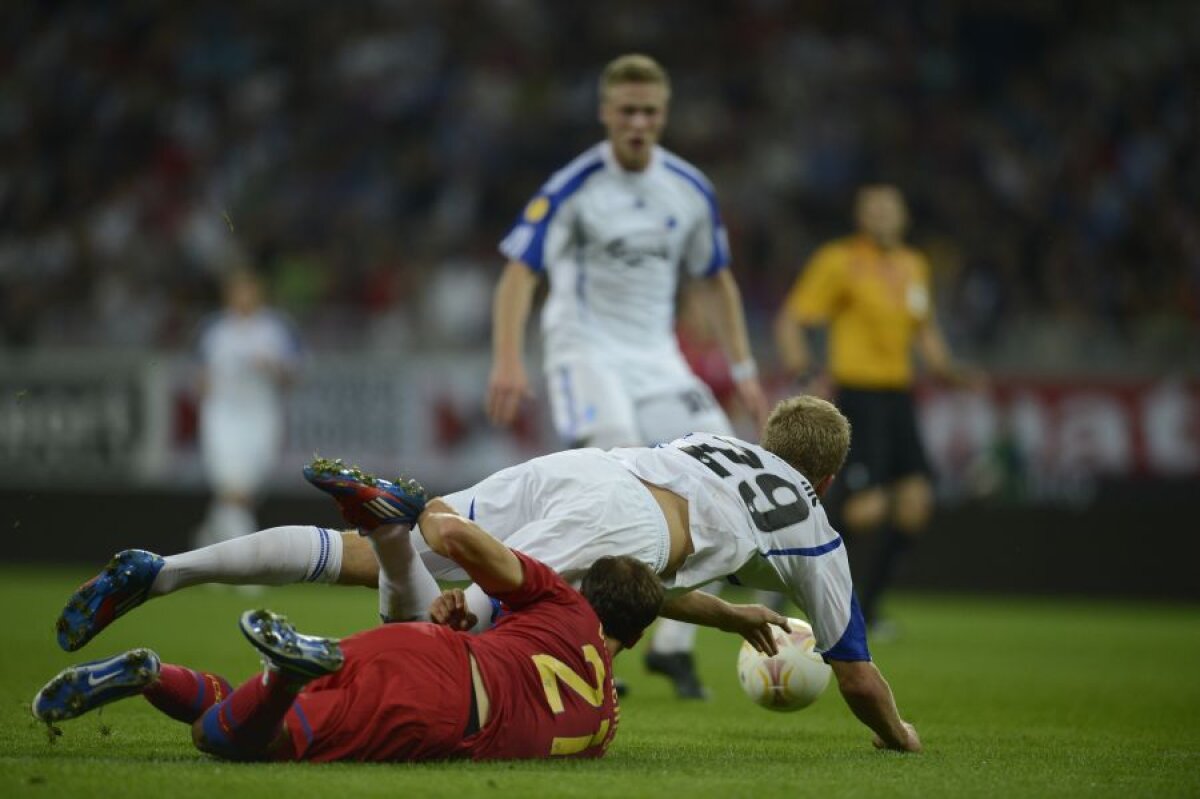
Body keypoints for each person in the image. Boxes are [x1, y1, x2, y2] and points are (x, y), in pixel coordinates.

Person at [56, 395, 922, 752]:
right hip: (623, 523)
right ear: (828, 478)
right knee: (462, 622)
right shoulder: (809, 521)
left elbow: (635, 578)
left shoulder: (717, 441)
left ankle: (166, 569)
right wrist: (900, 738)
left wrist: (729, 616)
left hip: (584, 473)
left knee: (356, 553)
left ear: (770, 440)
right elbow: (854, 671)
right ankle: (379, 599)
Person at [486, 53, 769, 698]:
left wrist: (744, 367)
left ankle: (672, 644)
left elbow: (716, 278)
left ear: (664, 114)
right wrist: (507, 357)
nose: (639, 123)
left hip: (656, 356)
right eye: (627, 111)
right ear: (605, 114)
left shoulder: (689, 188)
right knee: (610, 476)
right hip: (584, 350)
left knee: (732, 482)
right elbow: (518, 272)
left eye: (650, 112)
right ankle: (585, 640)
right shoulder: (573, 185)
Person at [34, 499, 664, 762]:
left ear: (587, 594)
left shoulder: (560, 603)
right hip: (441, 708)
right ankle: (282, 674)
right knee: (233, 741)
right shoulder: (605, 723)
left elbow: (457, 539)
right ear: (633, 640)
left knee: (236, 720)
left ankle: (154, 673)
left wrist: (432, 513)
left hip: (422, 648)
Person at [773, 184, 984, 632]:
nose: (882, 216)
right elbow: (793, 318)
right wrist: (802, 368)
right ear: (860, 217)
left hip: (898, 395)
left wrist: (948, 370)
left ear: (903, 216)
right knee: (866, 509)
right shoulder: (839, 260)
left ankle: (865, 609)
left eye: (890, 208)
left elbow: (922, 328)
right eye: (873, 209)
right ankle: (792, 571)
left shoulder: (913, 265)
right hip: (859, 395)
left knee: (914, 505)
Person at [194, 268, 301, 547]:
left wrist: (271, 367)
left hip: (262, 415)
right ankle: (247, 556)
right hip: (224, 415)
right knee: (233, 487)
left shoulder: (275, 330)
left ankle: (210, 538)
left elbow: (293, 377)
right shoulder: (215, 330)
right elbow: (200, 377)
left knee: (249, 490)